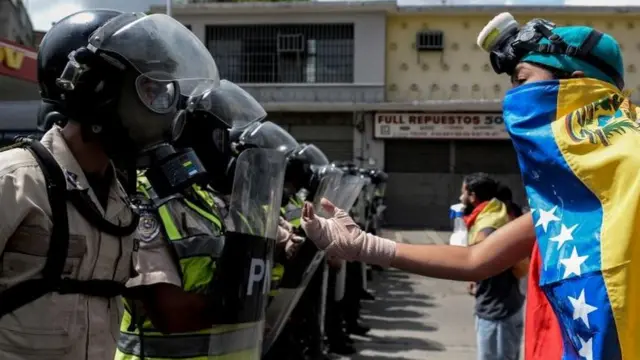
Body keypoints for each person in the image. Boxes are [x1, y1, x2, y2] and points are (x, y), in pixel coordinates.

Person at [299, 13, 638, 360]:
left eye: (522, 80)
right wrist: (363, 245)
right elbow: (476, 259)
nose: (513, 97)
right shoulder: (565, 201)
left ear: (576, 86)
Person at [0, 9, 219, 360]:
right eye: (148, 88)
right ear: (93, 88)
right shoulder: (16, 180)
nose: (162, 105)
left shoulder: (119, 199)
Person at [114, 80, 296, 360]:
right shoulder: (144, 199)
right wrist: (243, 308)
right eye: (221, 135)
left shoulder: (205, 198)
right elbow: (170, 314)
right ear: (189, 133)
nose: (229, 149)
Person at [460, 173, 524, 360]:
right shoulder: (492, 214)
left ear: (473, 196)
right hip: (500, 305)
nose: (460, 198)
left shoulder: (488, 223)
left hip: (497, 311)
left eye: (463, 193)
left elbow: (483, 258)